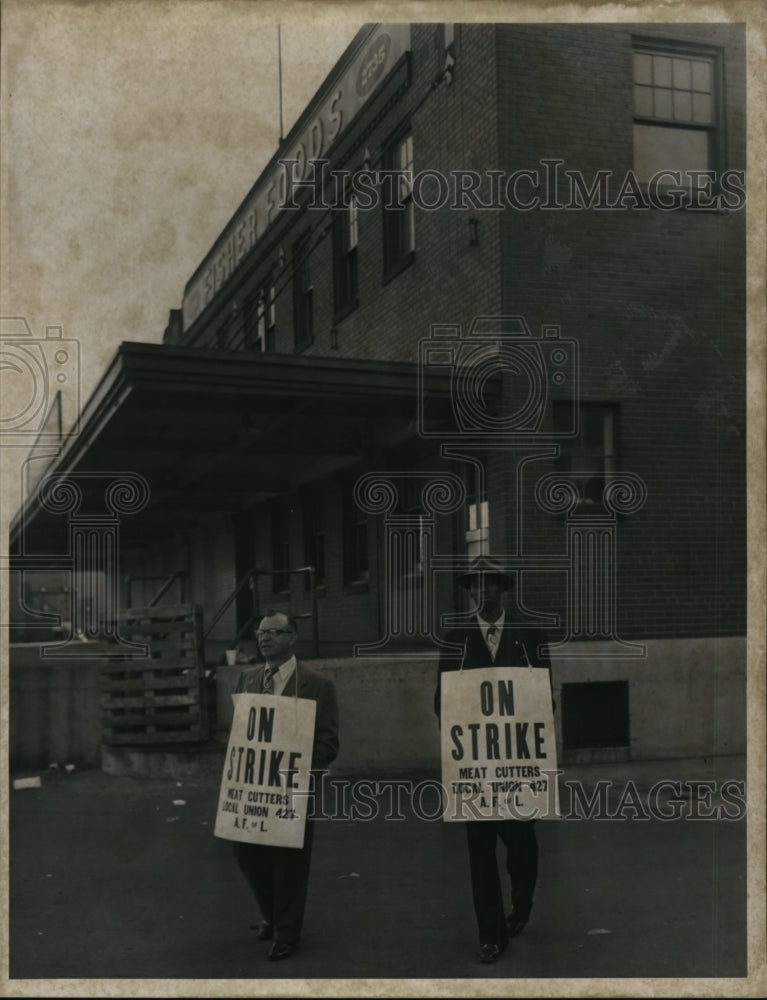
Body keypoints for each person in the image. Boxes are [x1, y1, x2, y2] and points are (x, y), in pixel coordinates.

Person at [434, 555, 553, 965]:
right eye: (474, 586)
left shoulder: (530, 635)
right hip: (475, 767)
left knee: (521, 844)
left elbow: (543, 702)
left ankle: (520, 905)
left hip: (518, 764)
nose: (480, 592)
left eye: (488, 585)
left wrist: (539, 759)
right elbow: (441, 704)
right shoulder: (454, 639)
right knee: (480, 849)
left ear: (502, 590)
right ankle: (491, 934)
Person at [232, 609, 339, 961]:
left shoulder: (318, 685)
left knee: (290, 861)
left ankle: (287, 933)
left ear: (292, 637)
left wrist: (302, 770)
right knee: (246, 850)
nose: (264, 638)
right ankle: (271, 913)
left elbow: (328, 742)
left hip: (294, 785)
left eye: (273, 632)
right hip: (253, 788)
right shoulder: (246, 680)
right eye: (260, 632)